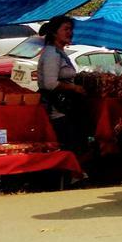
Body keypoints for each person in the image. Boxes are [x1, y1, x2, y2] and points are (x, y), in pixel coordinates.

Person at [37, 15, 88, 157]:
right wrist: (74, 88)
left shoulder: (59, 52)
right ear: (54, 33)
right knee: (67, 145)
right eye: (66, 29)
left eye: (71, 29)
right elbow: (49, 83)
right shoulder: (51, 54)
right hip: (57, 110)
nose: (69, 32)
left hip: (65, 109)